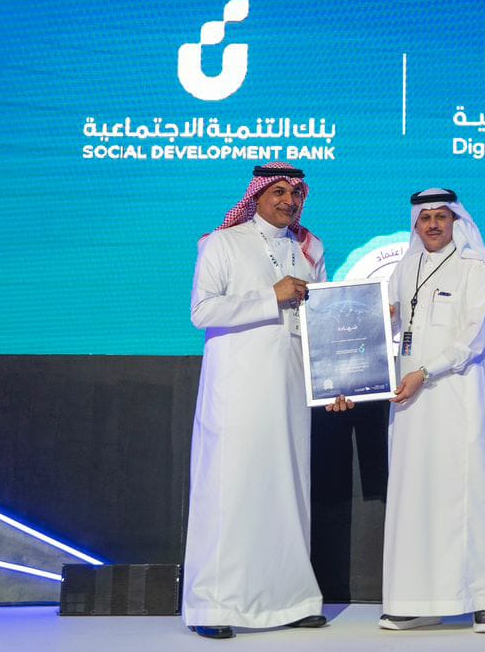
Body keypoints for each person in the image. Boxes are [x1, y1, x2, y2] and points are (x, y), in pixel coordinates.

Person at [182, 164, 330, 640]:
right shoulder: (222, 243)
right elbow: (202, 311)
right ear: (257, 196)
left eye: (296, 193)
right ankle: (212, 606)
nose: (288, 201)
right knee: (231, 493)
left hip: (290, 390)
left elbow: (322, 322)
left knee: (286, 490)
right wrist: (271, 296)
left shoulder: (310, 249)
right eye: (278, 191)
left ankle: (292, 600)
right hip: (237, 391)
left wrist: (338, 377)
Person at [379, 188, 485, 634]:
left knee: (466, 495)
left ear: (456, 221)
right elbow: (392, 323)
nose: (433, 224)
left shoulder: (475, 268)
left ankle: (482, 603)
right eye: (425, 218)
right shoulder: (405, 267)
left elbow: (473, 339)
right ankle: (414, 601)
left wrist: (425, 371)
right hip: (411, 402)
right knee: (414, 496)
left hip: (458, 395)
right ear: (415, 224)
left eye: (441, 216)